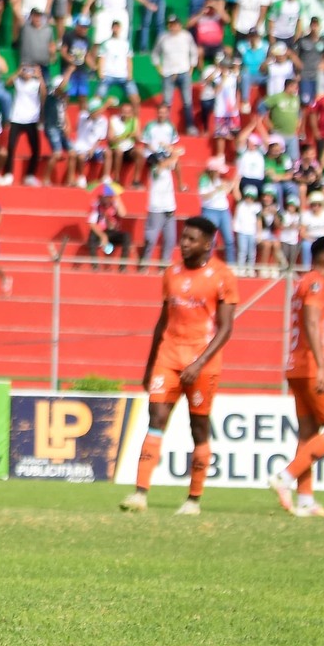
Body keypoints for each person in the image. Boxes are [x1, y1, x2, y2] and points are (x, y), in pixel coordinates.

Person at [122, 217, 239, 515]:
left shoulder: (223, 276)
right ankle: (140, 494)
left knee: (198, 428)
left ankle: (193, 499)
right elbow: (163, 321)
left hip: (203, 363)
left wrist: (199, 364)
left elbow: (226, 329)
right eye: (183, 238)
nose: (184, 244)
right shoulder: (171, 273)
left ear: (207, 244)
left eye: (191, 239)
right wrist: (150, 365)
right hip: (169, 358)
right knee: (156, 418)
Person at [270, 236, 324, 518]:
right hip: (313, 367)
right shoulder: (317, 283)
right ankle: (285, 477)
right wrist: (323, 365)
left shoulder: (306, 283)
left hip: (298, 367)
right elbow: (311, 321)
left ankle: (305, 500)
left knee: (308, 434)